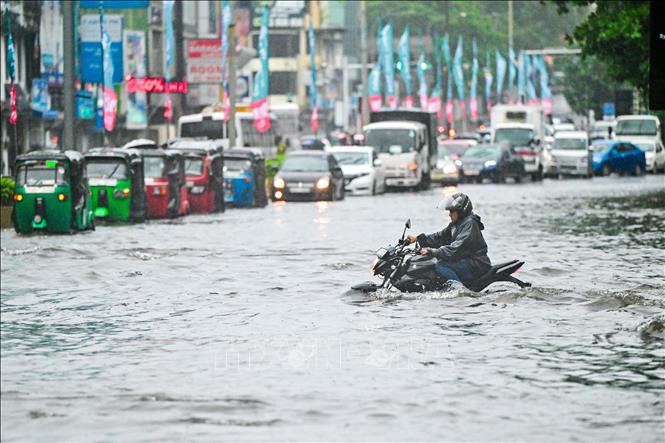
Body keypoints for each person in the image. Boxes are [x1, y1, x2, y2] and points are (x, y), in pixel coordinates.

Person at [405, 193, 491, 284]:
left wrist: (431, 251)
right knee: (432, 262)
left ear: (462, 211)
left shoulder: (470, 224)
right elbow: (439, 237)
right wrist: (417, 239)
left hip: (476, 264)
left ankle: (458, 291)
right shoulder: (456, 224)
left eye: (452, 211)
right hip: (465, 260)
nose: (449, 214)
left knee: (441, 265)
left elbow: (456, 248)